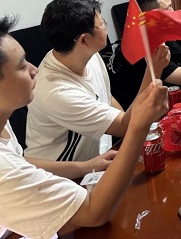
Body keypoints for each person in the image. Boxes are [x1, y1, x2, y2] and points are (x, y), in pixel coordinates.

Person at [0, 15, 168, 238]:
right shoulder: (56, 93)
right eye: (22, 67)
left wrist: (86, 166)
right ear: (84, 40)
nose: (34, 70)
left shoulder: (3, 119)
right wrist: (140, 125)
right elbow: (94, 213)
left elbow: (21, 160)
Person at [25, 0, 167, 163]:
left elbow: (107, 97)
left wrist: (125, 120)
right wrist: (154, 69)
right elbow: (125, 126)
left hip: (101, 154)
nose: (106, 27)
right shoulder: (57, 92)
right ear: (84, 40)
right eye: (102, 24)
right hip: (67, 171)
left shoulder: (82, 54)